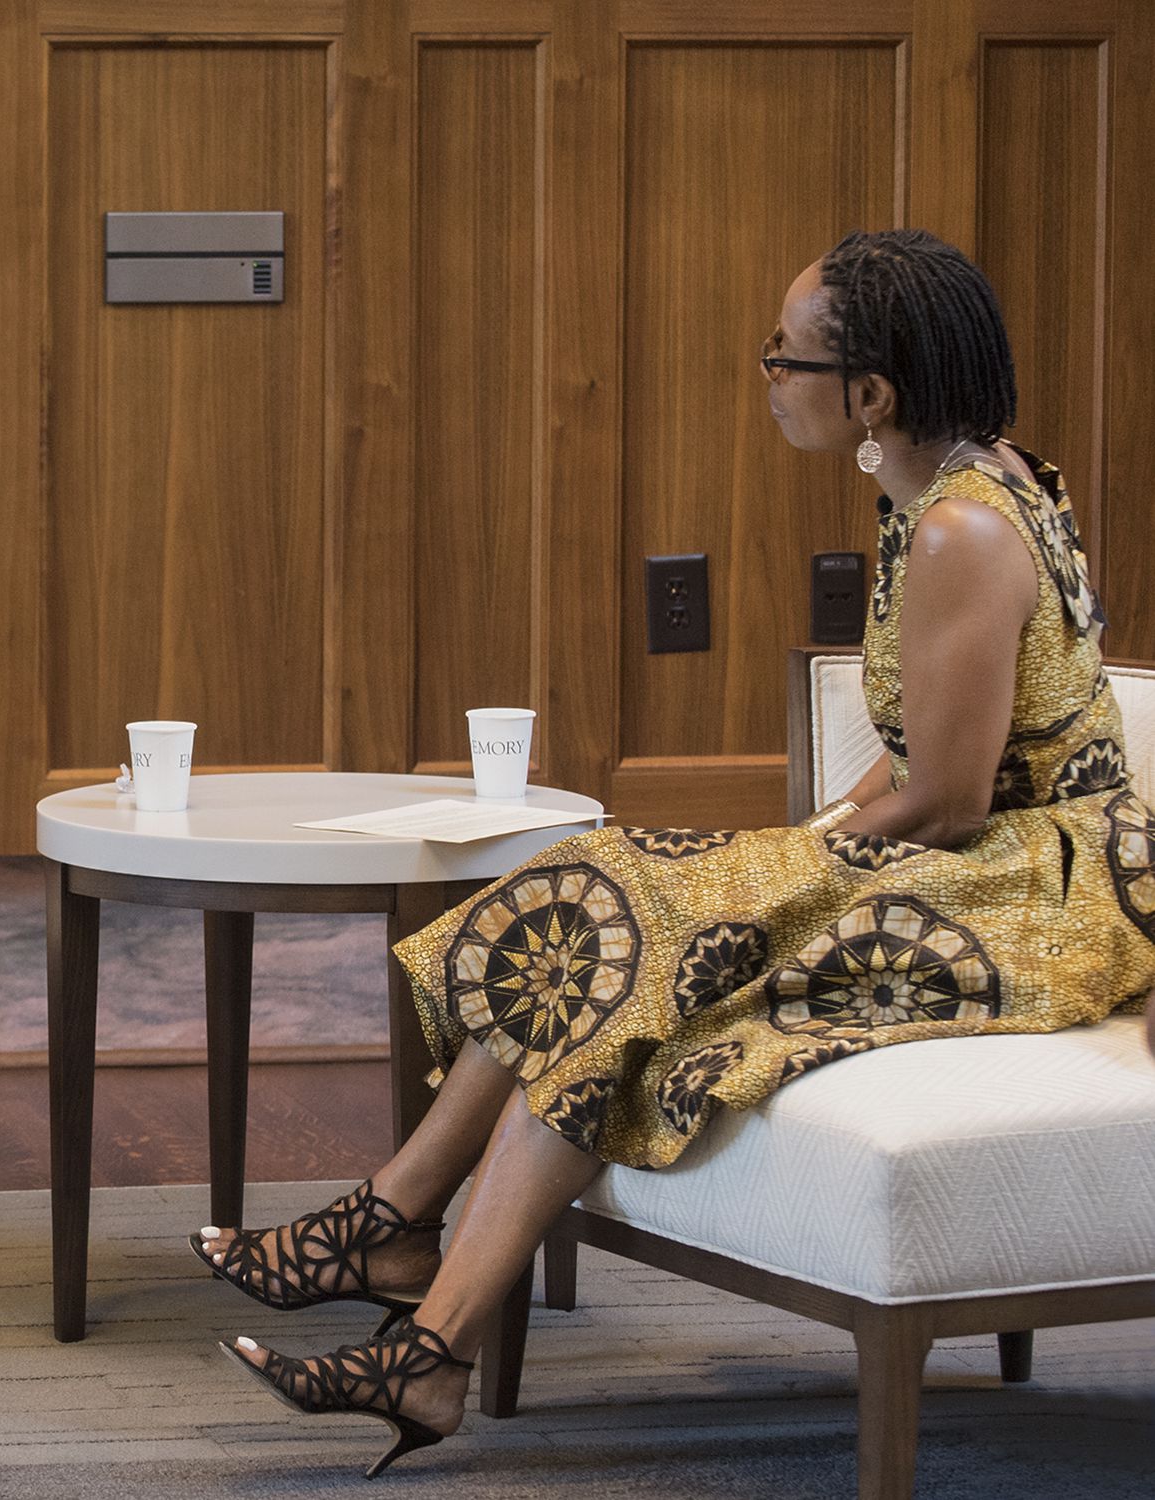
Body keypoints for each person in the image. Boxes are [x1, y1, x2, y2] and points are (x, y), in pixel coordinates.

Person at [192, 229, 1155, 1476]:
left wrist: (785, 866)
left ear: (870, 395)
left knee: (644, 916)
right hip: (981, 855)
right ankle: (412, 1310)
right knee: (599, 907)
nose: (766, 374)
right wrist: (798, 846)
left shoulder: (967, 530)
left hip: (1041, 894)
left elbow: (955, 799)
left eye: (784, 357)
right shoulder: (940, 494)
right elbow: (920, 746)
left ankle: (396, 1263)